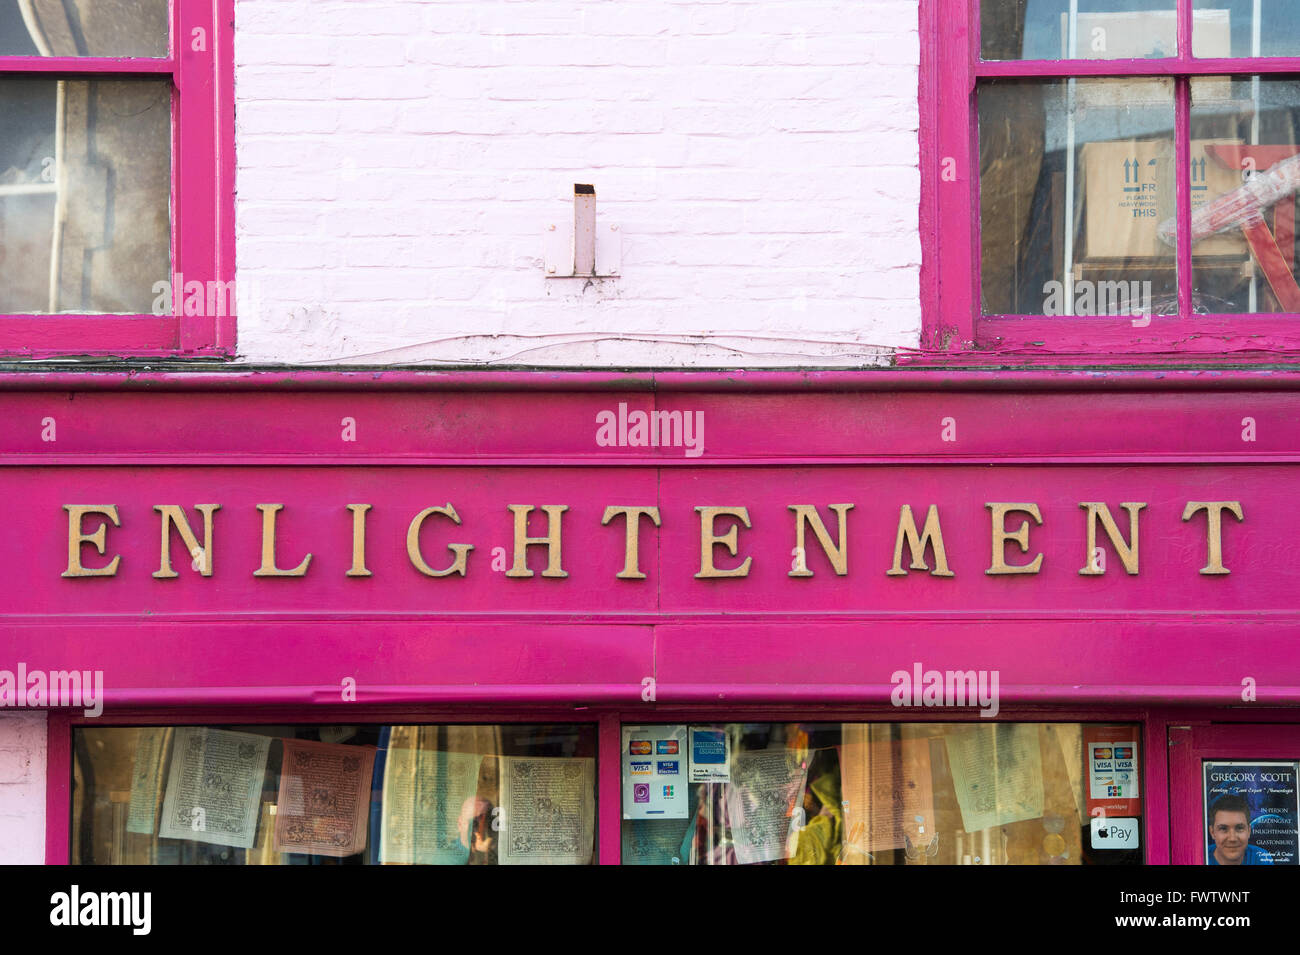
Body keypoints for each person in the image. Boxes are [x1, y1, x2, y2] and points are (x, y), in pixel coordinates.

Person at [1207, 794, 1273, 865]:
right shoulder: (1200, 857)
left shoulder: (1262, 858)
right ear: (1212, 832)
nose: (1232, 838)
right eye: (1223, 829)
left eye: (1239, 828)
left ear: (1249, 831)